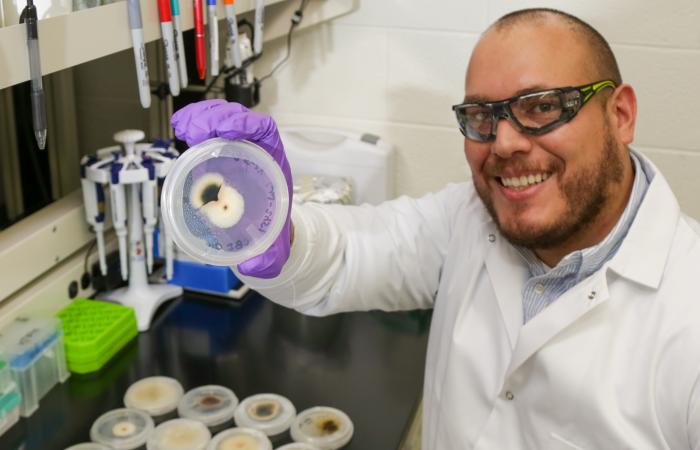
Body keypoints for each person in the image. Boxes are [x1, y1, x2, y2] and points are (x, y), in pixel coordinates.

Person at [170, 8, 700, 449]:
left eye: (542, 107)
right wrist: (271, 227)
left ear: (620, 114)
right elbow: (351, 255)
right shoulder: (469, 217)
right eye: (481, 116)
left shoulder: (688, 314)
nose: (506, 143)